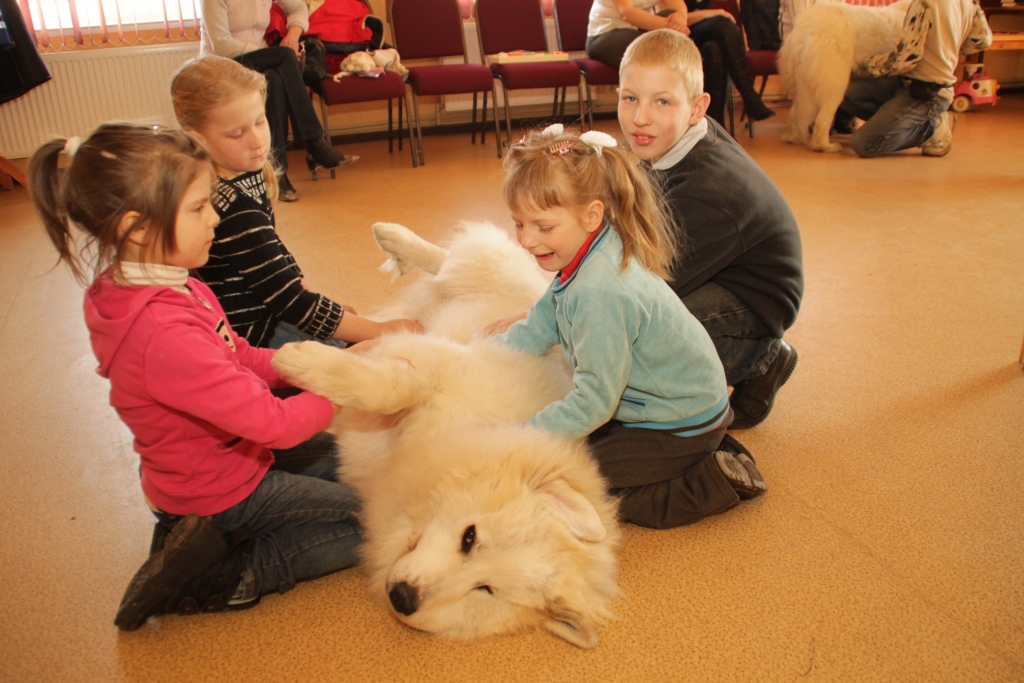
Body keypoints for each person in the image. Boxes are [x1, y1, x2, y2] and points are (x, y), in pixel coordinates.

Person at [28, 123, 363, 630]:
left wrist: (314, 364)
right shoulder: (162, 331)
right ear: (137, 228)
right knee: (372, 521)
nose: (215, 218)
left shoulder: (171, 284)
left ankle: (193, 538)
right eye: (199, 207)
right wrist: (342, 386)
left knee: (346, 460)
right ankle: (226, 575)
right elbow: (273, 424)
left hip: (227, 461)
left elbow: (239, 354)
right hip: (219, 493)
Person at [487, 124, 767, 530]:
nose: (527, 241)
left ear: (591, 215)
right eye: (518, 224)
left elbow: (595, 401)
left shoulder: (600, 291)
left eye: (543, 227)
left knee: (578, 481)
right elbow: (542, 322)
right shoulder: (587, 247)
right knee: (575, 448)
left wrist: (522, 435)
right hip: (674, 406)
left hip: (679, 424)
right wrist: (483, 356)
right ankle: (704, 451)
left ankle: (711, 480)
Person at [618, 30, 803, 429]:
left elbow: (644, 289)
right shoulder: (679, 136)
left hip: (754, 297)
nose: (639, 118)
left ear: (697, 108)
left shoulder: (703, 192)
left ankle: (760, 359)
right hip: (717, 265)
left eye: (662, 101)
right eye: (630, 98)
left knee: (636, 344)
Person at [172, 55, 423, 349]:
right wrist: (377, 330)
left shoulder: (243, 172)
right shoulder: (233, 207)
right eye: (237, 133)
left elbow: (277, 262)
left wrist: (328, 310)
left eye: (260, 121)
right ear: (198, 140)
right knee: (384, 356)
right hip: (254, 336)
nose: (257, 141)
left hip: (273, 314)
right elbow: (289, 301)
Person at [199, 0, 357, 201]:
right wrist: (269, 53)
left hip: (260, 62)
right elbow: (221, 44)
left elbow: (298, 7)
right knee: (284, 57)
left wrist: (293, 35)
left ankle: (277, 172)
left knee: (274, 79)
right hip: (223, 64)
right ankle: (314, 141)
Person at [836, 0, 992, 158]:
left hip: (926, 91)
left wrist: (865, 64)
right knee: (840, 93)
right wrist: (949, 52)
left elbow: (906, 59)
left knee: (863, 144)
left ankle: (931, 129)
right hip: (913, 82)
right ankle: (895, 125)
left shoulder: (925, 3)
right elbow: (982, 40)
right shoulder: (969, 2)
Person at [585, 0, 775, 125]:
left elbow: (677, 7)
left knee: (716, 39)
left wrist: (680, 18)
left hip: (646, 30)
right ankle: (687, 124)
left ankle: (716, 125)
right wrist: (674, 26)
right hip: (607, 35)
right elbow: (627, 13)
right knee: (667, 48)